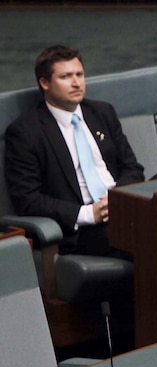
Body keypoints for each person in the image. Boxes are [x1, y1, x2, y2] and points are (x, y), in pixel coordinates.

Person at [4, 45, 144, 258]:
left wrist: (117, 200)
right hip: (84, 228)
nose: (76, 83)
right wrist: (89, 214)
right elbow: (28, 199)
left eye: (79, 74)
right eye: (66, 76)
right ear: (45, 83)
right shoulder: (26, 132)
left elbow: (132, 167)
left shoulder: (102, 112)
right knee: (149, 234)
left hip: (121, 207)